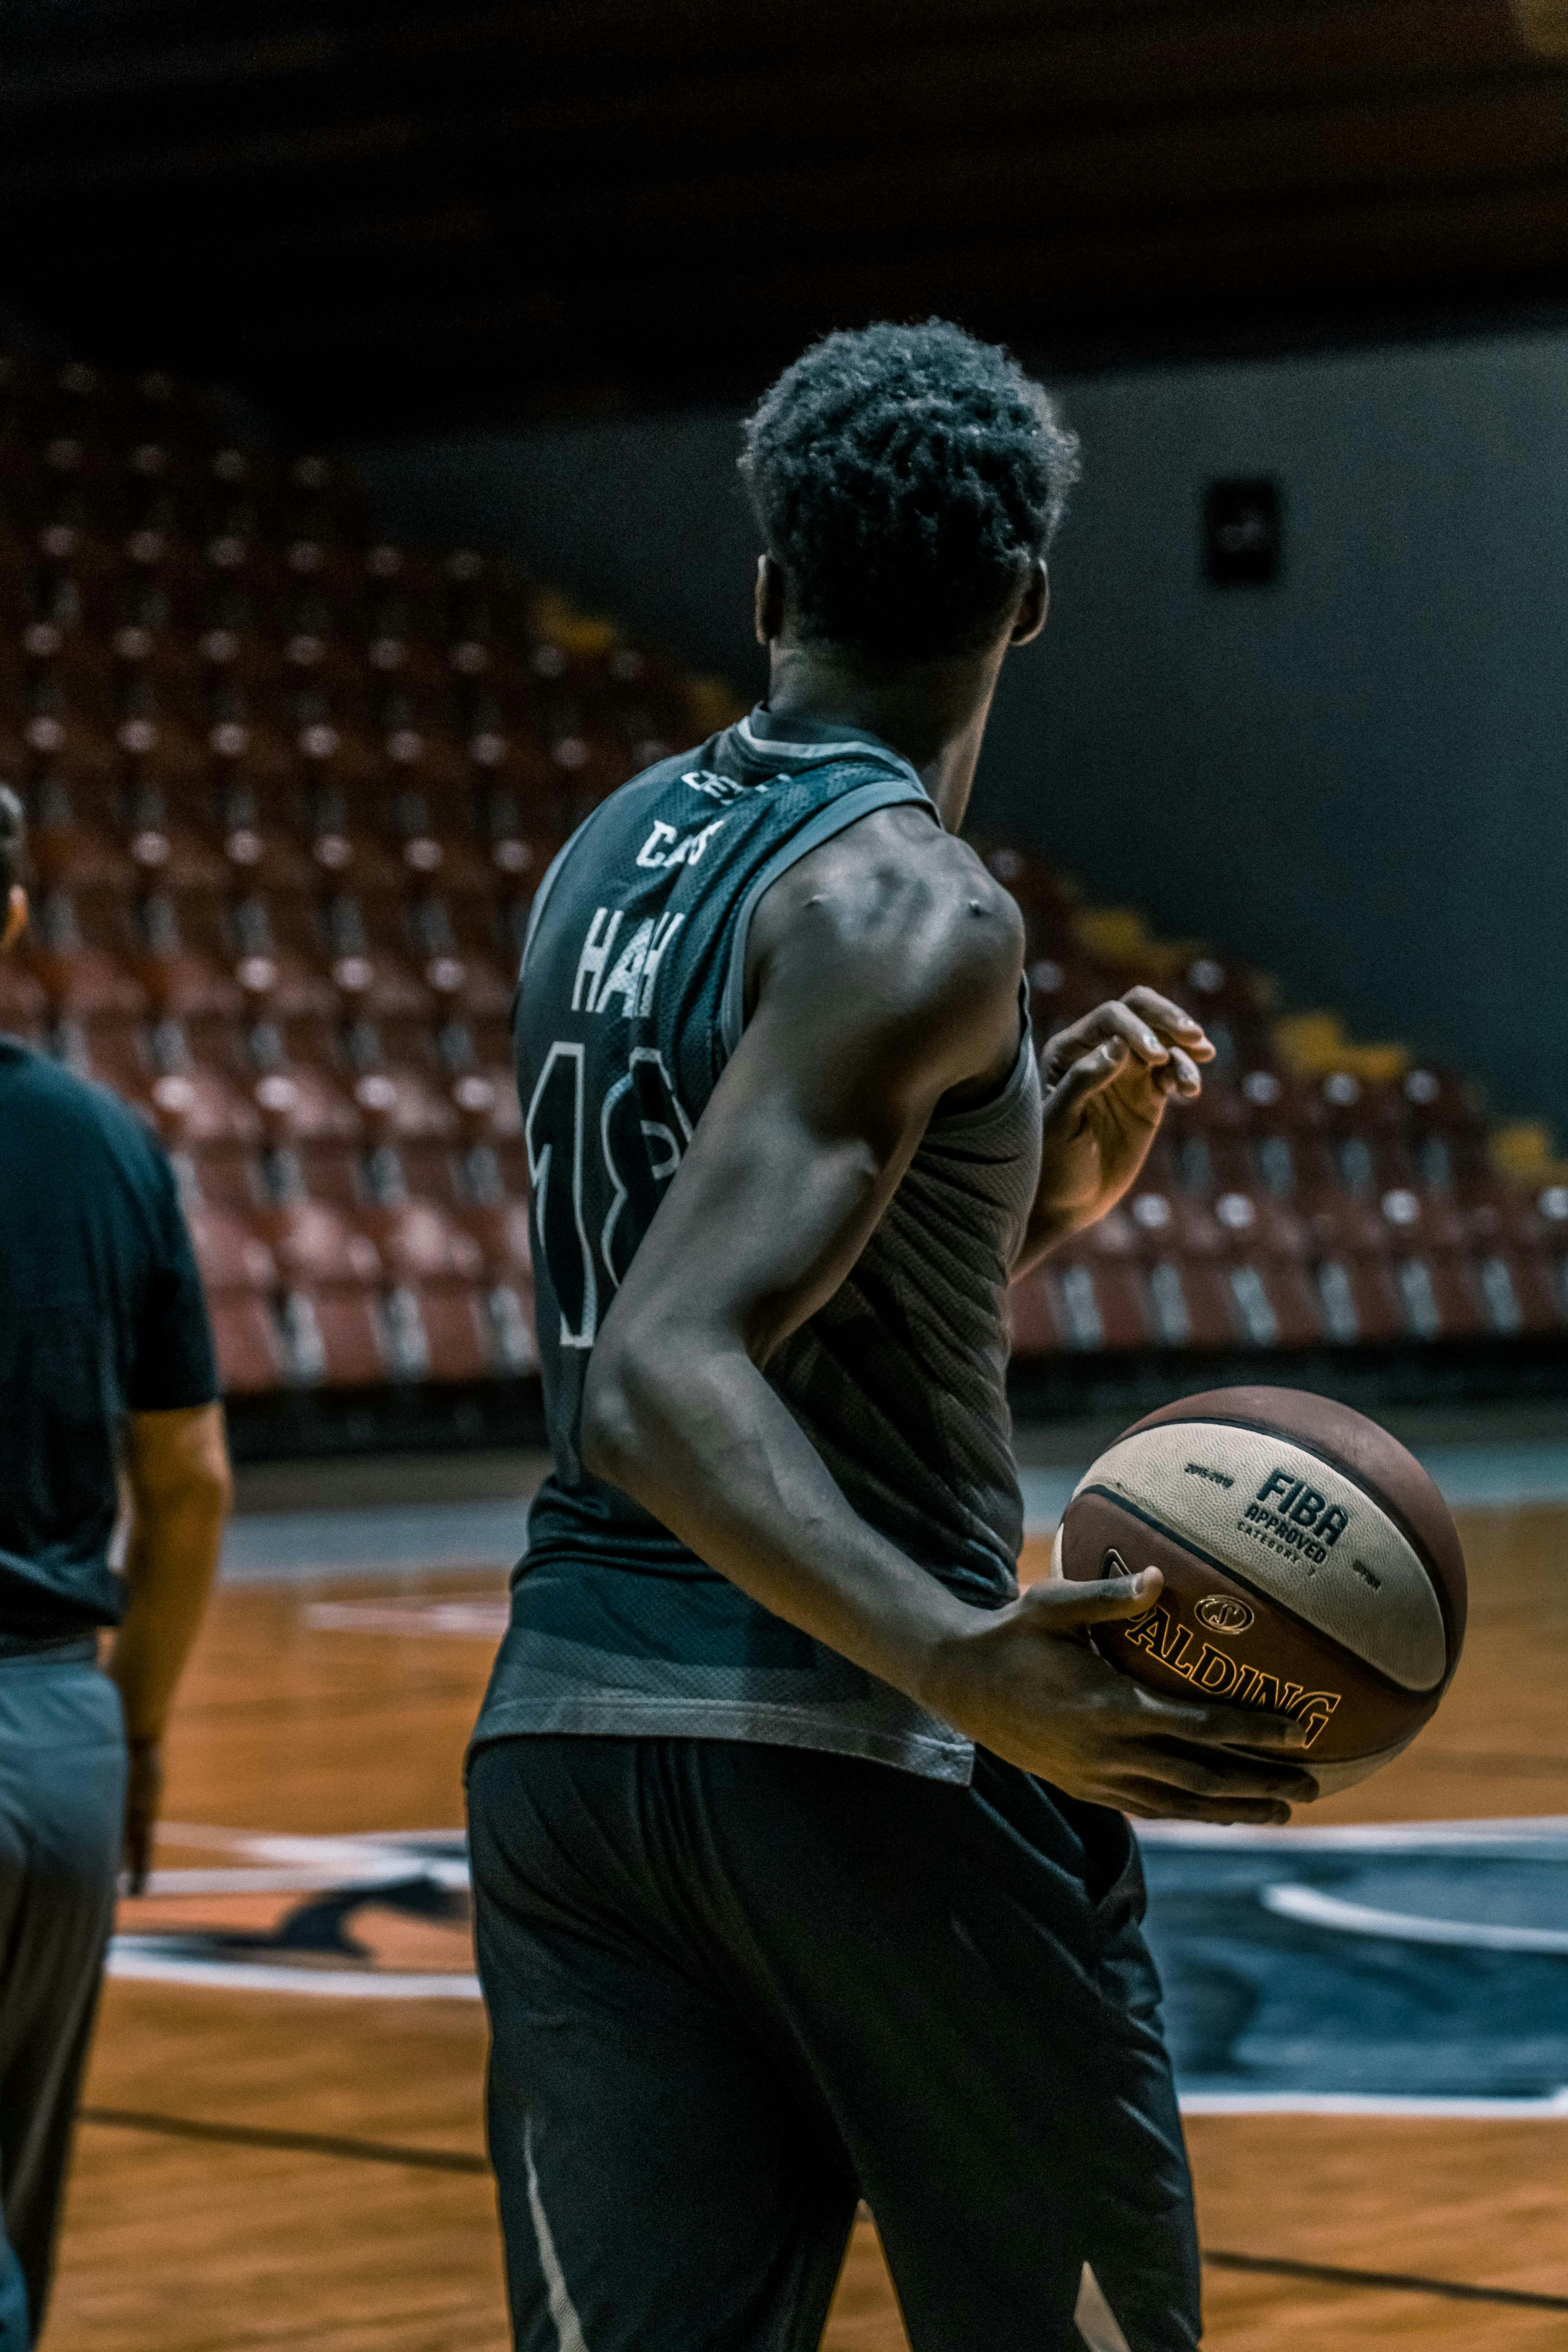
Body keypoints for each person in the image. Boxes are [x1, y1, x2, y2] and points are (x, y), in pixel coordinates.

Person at [467, 320, 1317, 2352]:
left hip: (572, 1765)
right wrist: (960, 1663)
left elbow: (704, 1277)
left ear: (770, 588)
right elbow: (664, 1377)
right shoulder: (920, 911)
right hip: (866, 1769)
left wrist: (1013, 1206)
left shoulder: (602, 864)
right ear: (1029, 602)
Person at [0, 785, 231, 2347]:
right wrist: (136, 1732)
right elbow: (193, 1483)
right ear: (13, 916)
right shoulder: (109, 1150)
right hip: (53, 1745)